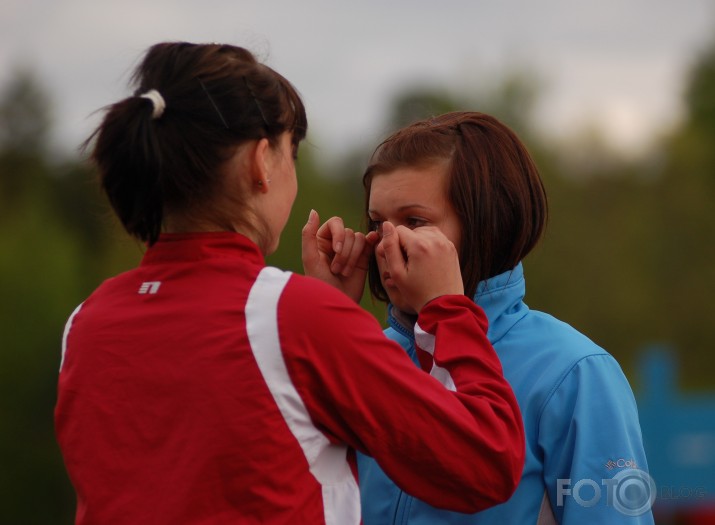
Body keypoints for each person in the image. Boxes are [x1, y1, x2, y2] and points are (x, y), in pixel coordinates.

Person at [54, 44, 526, 524]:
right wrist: (448, 307)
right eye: (291, 151)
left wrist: (331, 311)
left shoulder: (87, 322)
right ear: (262, 162)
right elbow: (485, 463)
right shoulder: (290, 318)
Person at [305, 112, 655, 524]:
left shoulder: (574, 372)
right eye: (378, 223)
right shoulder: (366, 357)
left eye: (415, 221)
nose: (387, 243)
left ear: (487, 222)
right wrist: (329, 322)